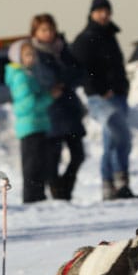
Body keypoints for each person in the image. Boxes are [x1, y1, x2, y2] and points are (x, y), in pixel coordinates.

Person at [71, 0, 137, 200]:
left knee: (113, 141)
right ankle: (117, 181)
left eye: (106, 11)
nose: (103, 15)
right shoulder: (85, 38)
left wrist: (123, 86)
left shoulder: (110, 35)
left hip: (118, 95)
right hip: (100, 98)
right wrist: (100, 89)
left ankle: (113, 186)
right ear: (92, 14)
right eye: (99, 11)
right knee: (121, 136)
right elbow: (82, 69)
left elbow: (117, 65)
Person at [30, 13, 86, 201]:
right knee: (53, 158)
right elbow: (47, 79)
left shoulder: (64, 49)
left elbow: (79, 73)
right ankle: (56, 191)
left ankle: (65, 187)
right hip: (50, 112)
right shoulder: (35, 53)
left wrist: (63, 79)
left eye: (51, 29)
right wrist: (63, 77)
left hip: (70, 108)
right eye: (44, 30)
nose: (48, 33)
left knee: (78, 155)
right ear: (35, 32)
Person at [4, 38, 52, 203]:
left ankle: (38, 195)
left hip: (38, 124)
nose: (32, 58)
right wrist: (48, 97)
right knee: (32, 165)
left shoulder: (29, 74)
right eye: (28, 54)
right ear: (18, 57)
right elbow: (27, 103)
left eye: (33, 54)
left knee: (40, 163)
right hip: (29, 126)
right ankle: (31, 197)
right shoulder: (20, 77)